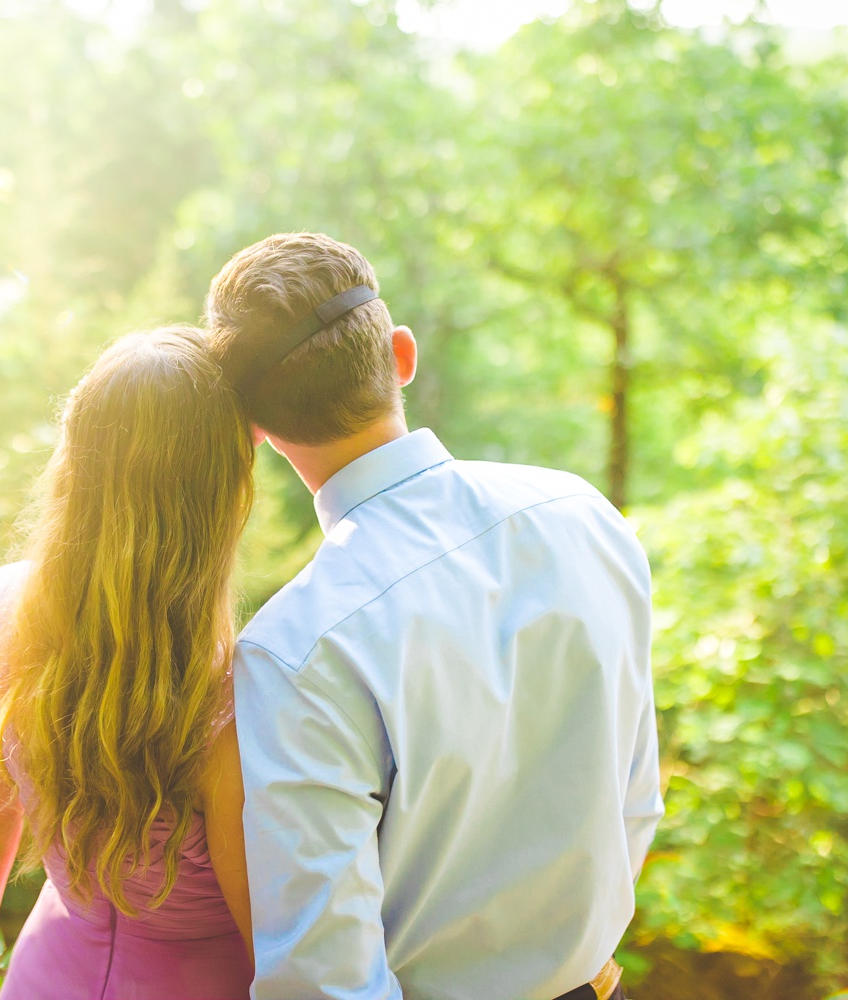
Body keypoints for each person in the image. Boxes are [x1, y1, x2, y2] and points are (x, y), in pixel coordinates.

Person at [204, 232, 664, 1000]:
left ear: (254, 426)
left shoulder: (296, 649)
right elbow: (636, 798)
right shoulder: (583, 513)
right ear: (402, 354)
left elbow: (325, 978)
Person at [0, 327, 256, 1000]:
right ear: (223, 495)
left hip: (47, 979)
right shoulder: (240, 699)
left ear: (74, 459)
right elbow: (283, 943)